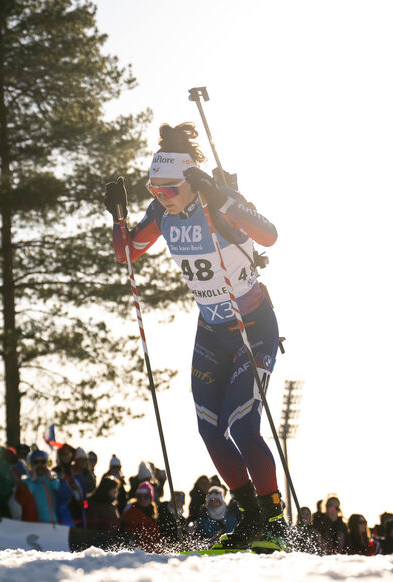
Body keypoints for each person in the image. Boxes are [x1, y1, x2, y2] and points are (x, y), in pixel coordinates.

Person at [104, 123, 284, 551]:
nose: (162, 196)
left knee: (243, 425)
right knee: (210, 428)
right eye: (154, 189)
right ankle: (250, 519)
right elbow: (127, 253)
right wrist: (119, 218)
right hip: (211, 331)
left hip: (252, 327)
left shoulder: (219, 203)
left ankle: (275, 523)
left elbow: (270, 235)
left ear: (190, 181)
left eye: (169, 188)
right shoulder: (162, 213)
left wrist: (222, 197)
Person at [120, 481, 160, 552]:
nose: (142, 499)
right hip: (135, 550)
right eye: (139, 497)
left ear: (151, 498)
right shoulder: (131, 512)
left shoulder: (154, 513)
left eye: (146, 497)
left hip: (150, 551)